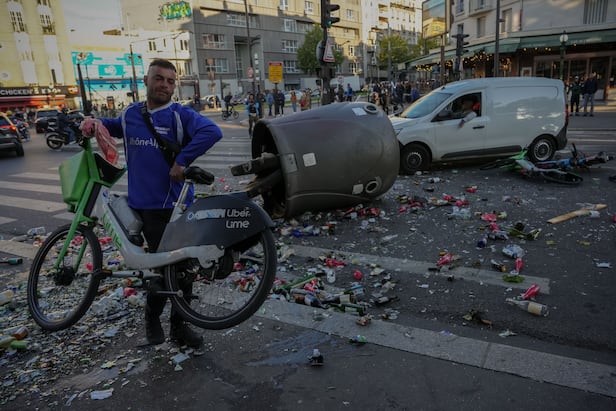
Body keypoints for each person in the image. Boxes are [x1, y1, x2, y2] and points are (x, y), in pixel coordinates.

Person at [81, 59, 223, 348]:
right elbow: (111, 127)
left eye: (170, 81)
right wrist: (93, 123)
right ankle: (154, 320)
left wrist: (182, 161)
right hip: (145, 206)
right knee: (163, 271)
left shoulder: (180, 115)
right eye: (159, 78)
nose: (164, 85)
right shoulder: (131, 114)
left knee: (183, 271)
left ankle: (178, 327)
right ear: (146, 80)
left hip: (176, 206)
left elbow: (212, 132)